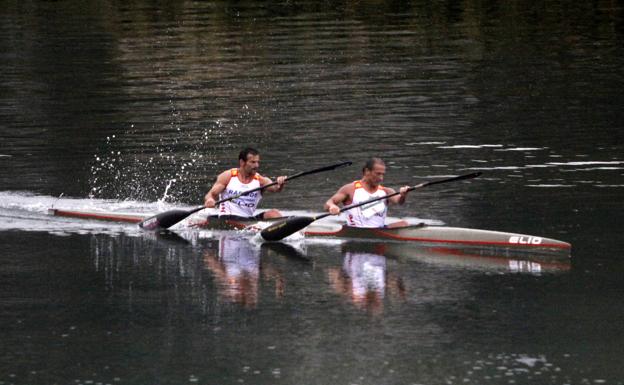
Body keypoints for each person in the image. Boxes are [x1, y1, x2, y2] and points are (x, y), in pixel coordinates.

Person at [324, 157, 410, 228]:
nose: (381, 178)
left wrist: (403, 195)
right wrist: (332, 206)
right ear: (367, 171)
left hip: (380, 230)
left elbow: (399, 201)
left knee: (404, 224)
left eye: (383, 174)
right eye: (378, 174)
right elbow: (328, 203)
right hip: (355, 231)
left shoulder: (386, 191)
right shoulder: (350, 189)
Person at [204, 147, 286, 219]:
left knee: (274, 213)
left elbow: (276, 189)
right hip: (227, 217)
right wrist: (210, 200)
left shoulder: (260, 180)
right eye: (253, 162)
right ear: (242, 162)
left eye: (258, 162)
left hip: (247, 219)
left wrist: (280, 183)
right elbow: (211, 194)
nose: (257, 165)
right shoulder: (228, 176)